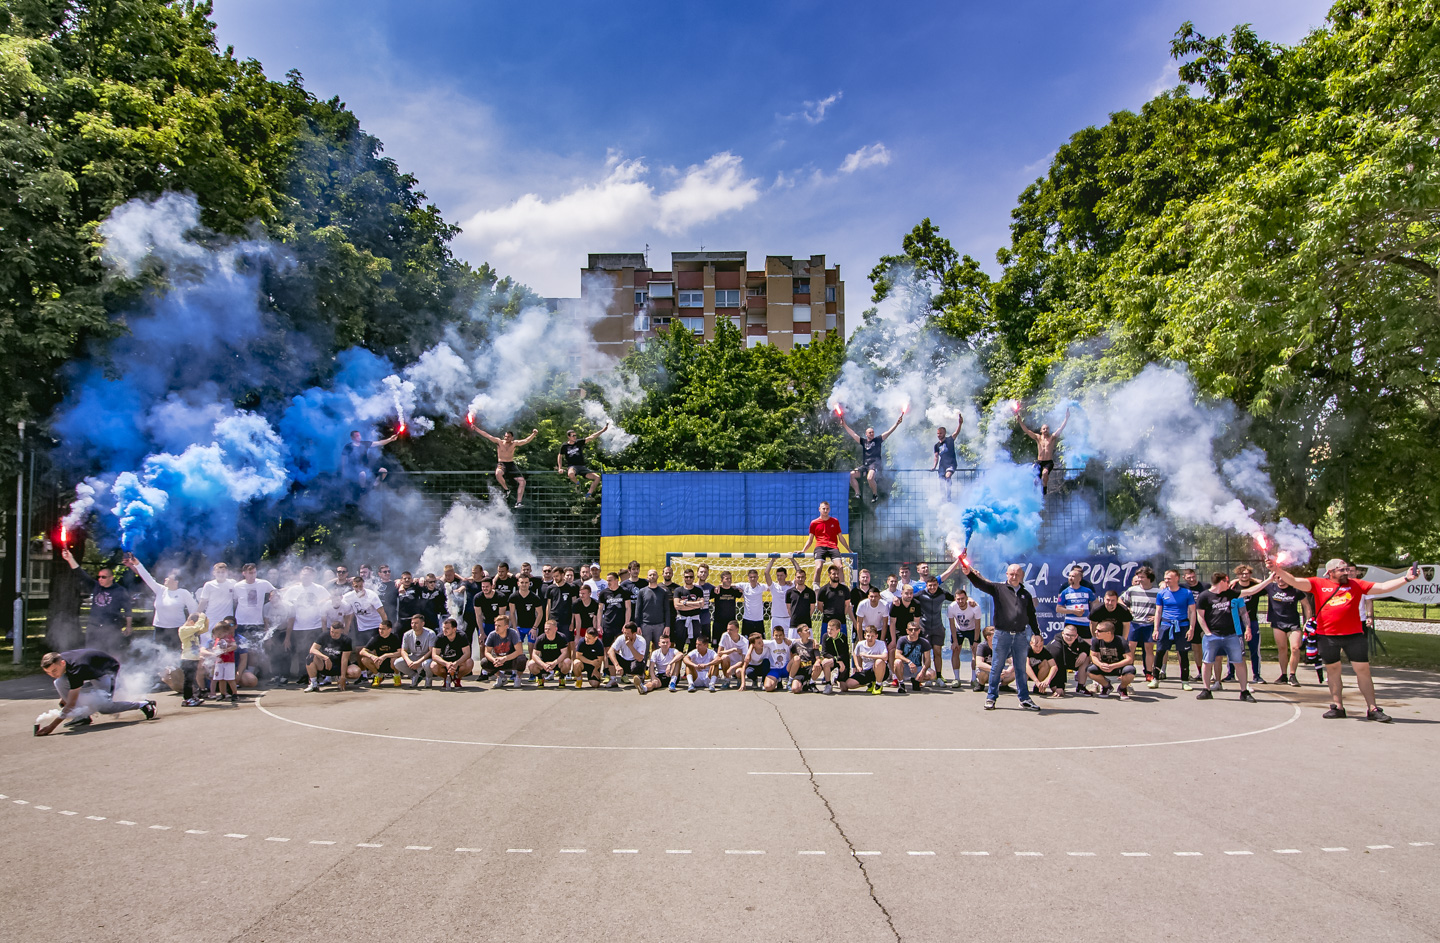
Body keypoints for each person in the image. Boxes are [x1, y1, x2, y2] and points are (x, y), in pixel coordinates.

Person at [1269, 558, 1419, 721]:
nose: (1346, 572)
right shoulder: (1318, 583)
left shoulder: (1356, 584)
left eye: (1347, 569)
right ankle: (1338, 706)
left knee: (1363, 671)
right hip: (1327, 636)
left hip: (1354, 635)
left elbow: (1382, 587)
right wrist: (1277, 569)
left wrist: (1407, 578)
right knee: (1333, 671)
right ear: (1330, 572)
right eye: (1342, 570)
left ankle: (1372, 708)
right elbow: (1294, 581)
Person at [957, 557, 1041, 712]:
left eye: (1017, 574)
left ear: (1021, 576)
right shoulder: (998, 589)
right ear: (1007, 575)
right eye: (1011, 574)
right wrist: (969, 574)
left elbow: (1031, 615)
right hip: (1002, 635)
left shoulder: (1026, 594)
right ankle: (991, 697)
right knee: (996, 667)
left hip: (1021, 636)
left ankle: (1024, 699)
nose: (1014, 577)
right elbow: (981, 584)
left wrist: (1037, 633)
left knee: (1021, 668)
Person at [36, 649, 155, 734]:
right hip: (90, 668)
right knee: (58, 682)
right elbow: (70, 691)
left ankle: (143, 704)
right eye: (49, 673)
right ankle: (82, 716)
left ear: (62, 663)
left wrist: (52, 726)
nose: (52, 675)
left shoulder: (76, 670)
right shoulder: (61, 661)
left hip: (106, 670)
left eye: (54, 671)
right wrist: (65, 699)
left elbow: (71, 702)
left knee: (105, 707)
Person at [1193, 572, 1256, 702]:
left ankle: (1244, 691)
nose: (1230, 584)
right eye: (1227, 581)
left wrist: (1270, 579)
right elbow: (1200, 616)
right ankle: (1206, 690)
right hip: (1212, 635)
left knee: (1239, 662)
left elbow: (1250, 591)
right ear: (1222, 581)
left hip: (1232, 635)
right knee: (1208, 662)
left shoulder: (1230, 594)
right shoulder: (1205, 596)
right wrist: (1208, 633)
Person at [1240, 570, 1311, 686]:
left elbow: (1306, 605)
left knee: (1295, 648)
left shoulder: (1295, 589)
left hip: (1293, 623)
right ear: (1274, 578)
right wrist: (1235, 580)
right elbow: (1255, 583)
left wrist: (1308, 621)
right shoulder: (1270, 587)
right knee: (1282, 648)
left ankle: (1292, 675)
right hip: (1277, 623)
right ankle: (1283, 675)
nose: (1281, 580)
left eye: (1283, 578)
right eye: (1278, 578)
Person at [58, 549, 134, 654]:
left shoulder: (120, 591)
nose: (100, 579)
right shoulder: (95, 586)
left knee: (111, 654)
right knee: (91, 653)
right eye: (99, 577)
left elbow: (128, 610)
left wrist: (128, 626)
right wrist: (70, 559)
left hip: (112, 627)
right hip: (93, 627)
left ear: (111, 578)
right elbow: (80, 573)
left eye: (103, 577)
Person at [123, 553, 196, 653]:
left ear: (176, 581)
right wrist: (137, 564)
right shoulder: (160, 590)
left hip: (177, 630)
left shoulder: (183, 593)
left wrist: (190, 626)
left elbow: (194, 610)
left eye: (168, 578)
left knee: (176, 654)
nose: (165, 579)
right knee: (159, 655)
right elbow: (147, 577)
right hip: (159, 629)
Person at [839, 409, 904, 504]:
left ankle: (875, 494)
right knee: (851, 475)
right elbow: (853, 434)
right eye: (870, 432)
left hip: (875, 464)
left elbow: (889, 432)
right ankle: (858, 493)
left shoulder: (878, 440)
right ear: (866, 434)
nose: (872, 433)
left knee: (870, 478)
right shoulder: (863, 441)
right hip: (865, 465)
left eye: (872, 432)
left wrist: (897, 423)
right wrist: (844, 425)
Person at [284, 567, 332, 685]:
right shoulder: (293, 590)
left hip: (315, 625)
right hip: (298, 626)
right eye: (304, 575)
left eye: (309, 575)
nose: (306, 577)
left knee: (316, 652)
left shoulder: (319, 589)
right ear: (300, 575)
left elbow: (329, 599)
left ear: (313, 576)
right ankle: (304, 675)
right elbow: (285, 603)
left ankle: (318, 674)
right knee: (301, 652)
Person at [469, 424, 538, 507]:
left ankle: (518, 502)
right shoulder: (499, 442)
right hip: (502, 463)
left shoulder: (514, 443)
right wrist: (476, 429)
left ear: (512, 437)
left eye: (508, 437)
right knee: (498, 473)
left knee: (522, 482)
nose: (506, 438)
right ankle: (506, 489)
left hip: (511, 464)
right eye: (505, 436)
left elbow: (525, 441)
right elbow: (487, 435)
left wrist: (533, 434)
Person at [1151, 569, 1198, 690]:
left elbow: (1193, 611)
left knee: (1183, 653)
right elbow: (1158, 612)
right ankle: (1155, 678)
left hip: (1182, 626)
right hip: (1165, 625)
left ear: (1177, 578)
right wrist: (1156, 629)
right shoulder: (1161, 593)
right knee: (1160, 652)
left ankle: (1185, 681)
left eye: (1169, 578)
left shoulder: (1187, 593)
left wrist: (1191, 628)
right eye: (1165, 578)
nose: (1166, 581)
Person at [231, 562, 277, 685]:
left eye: (254, 572)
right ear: (244, 573)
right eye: (250, 573)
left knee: (255, 650)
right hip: (241, 622)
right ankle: (239, 674)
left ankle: (251, 673)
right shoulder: (238, 586)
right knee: (241, 649)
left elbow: (275, 592)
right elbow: (235, 600)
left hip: (257, 622)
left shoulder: (263, 583)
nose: (252, 575)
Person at [1016, 404, 1069, 495]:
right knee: (1035, 481)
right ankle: (1034, 494)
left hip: (1048, 462)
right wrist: (1020, 421)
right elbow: (1027, 431)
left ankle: (1044, 489)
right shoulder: (1038, 438)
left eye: (1047, 428)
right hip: (1039, 461)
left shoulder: (1052, 437)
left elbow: (1061, 428)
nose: (1045, 430)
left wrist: (1066, 418)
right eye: (1044, 429)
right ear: (1041, 430)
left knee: (1045, 473)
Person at [1120, 567, 1159, 685]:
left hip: (1149, 624)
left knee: (1149, 649)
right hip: (1134, 623)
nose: (1139, 579)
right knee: (1130, 647)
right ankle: (1128, 670)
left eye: (1142, 577)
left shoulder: (1157, 592)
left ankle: (1148, 673)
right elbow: (1120, 600)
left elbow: (1162, 608)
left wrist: (1156, 616)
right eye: (1138, 576)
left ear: (1149, 578)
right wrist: (1127, 609)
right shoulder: (1132, 590)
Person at [1229, 564, 1265, 683]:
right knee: (1234, 648)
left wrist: (1252, 579)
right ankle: (1230, 674)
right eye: (1241, 573)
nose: (1244, 575)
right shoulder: (1233, 587)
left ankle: (1257, 675)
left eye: (1247, 573)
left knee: (1254, 649)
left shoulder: (1255, 587)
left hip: (1252, 621)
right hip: (1235, 622)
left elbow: (1264, 583)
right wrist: (1236, 580)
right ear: (1237, 574)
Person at [916, 575, 954, 687]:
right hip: (925, 627)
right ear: (926, 585)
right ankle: (927, 676)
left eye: (934, 585)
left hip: (938, 627)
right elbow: (908, 598)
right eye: (930, 585)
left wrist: (970, 600)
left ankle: (938, 676)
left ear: (937, 585)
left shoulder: (942, 593)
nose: (932, 587)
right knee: (926, 653)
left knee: (938, 652)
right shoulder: (921, 594)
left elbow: (956, 598)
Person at [800, 501, 852, 582]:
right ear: (819, 509)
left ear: (829, 510)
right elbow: (810, 539)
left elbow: (841, 537)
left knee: (840, 567)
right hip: (820, 547)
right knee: (818, 567)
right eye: (823, 508)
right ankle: (816, 588)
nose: (825, 510)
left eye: (827, 509)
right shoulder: (814, 523)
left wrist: (849, 550)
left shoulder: (835, 521)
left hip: (832, 547)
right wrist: (803, 550)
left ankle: (842, 587)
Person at [339, 429, 398, 497]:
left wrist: (390, 439)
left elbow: (379, 443)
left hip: (367, 467)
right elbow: (343, 459)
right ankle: (363, 489)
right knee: (362, 474)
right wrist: (344, 470)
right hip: (355, 468)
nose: (359, 437)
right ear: (352, 438)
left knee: (384, 471)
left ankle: (374, 486)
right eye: (357, 436)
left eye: (359, 435)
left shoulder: (364, 443)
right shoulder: (348, 447)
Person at [1087, 621, 1137, 699]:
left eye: (1099, 631)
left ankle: (1122, 688)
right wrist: (1100, 664)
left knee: (1130, 671)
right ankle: (1106, 686)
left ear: (1108, 633)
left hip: (1119, 667)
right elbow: (1093, 656)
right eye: (1096, 629)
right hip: (1104, 666)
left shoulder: (1121, 641)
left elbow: (1129, 659)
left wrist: (1113, 666)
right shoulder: (1096, 640)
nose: (1096, 632)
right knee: (1090, 670)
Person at [557, 424, 609, 497]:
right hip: (572, 466)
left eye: (575, 435)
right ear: (569, 437)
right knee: (570, 474)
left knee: (597, 478)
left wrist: (603, 430)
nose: (575, 437)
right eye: (573, 436)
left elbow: (591, 437)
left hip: (582, 467)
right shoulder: (564, 446)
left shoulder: (579, 442)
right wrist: (560, 468)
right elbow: (560, 456)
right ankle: (577, 483)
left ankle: (588, 494)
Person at [947, 587, 983, 690]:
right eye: (958, 599)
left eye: (963, 599)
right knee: (955, 651)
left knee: (975, 653)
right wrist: (954, 641)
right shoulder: (951, 607)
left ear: (966, 598)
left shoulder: (975, 607)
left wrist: (976, 641)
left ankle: (973, 678)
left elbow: (977, 626)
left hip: (972, 630)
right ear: (955, 599)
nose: (961, 601)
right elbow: (952, 625)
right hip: (959, 630)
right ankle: (957, 678)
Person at [342, 576, 388, 654]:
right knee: (359, 650)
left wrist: (386, 628)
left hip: (375, 626)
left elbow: (382, 612)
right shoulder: (349, 596)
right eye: (356, 586)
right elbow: (337, 599)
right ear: (353, 586)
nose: (359, 588)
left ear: (363, 585)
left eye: (360, 586)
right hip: (362, 628)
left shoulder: (372, 595)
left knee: (374, 651)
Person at [304, 622, 353, 693]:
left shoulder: (346, 640)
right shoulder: (324, 635)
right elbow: (312, 649)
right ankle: (313, 683)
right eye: (332, 632)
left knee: (355, 672)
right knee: (310, 657)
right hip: (325, 665)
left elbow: (344, 659)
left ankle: (339, 678)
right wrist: (325, 658)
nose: (333, 634)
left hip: (338, 666)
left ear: (341, 631)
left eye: (336, 633)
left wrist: (343, 677)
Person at [1045, 625, 1092, 697]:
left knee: (1087, 658)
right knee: (1058, 691)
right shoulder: (1056, 646)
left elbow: (1089, 648)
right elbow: (1058, 666)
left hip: (1068, 662)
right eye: (1067, 635)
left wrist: (1084, 653)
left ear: (1076, 636)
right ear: (1063, 633)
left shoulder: (1078, 640)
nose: (1069, 637)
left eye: (1072, 635)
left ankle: (1081, 686)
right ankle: (1042, 685)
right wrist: (1060, 686)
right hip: (1053, 667)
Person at [481, 614, 526, 687]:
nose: (496, 628)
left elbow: (519, 651)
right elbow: (487, 652)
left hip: (511, 660)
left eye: (499, 626)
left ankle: (518, 677)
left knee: (522, 659)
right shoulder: (492, 635)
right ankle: (501, 677)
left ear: (506, 626)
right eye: (495, 625)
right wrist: (493, 660)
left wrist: (505, 658)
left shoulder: (513, 633)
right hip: (498, 661)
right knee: (484, 662)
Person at [432, 618, 475, 690]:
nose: (444, 630)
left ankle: (457, 678)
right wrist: (446, 663)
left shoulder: (462, 636)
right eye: (443, 628)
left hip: (459, 661)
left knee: (469, 662)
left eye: (447, 628)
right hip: (445, 662)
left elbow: (467, 653)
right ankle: (446, 678)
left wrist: (456, 663)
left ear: (454, 629)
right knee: (433, 665)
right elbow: (434, 655)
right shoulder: (440, 637)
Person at [893, 621, 936, 692]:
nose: (913, 632)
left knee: (932, 674)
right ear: (907, 631)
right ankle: (901, 683)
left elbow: (927, 660)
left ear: (919, 630)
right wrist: (909, 662)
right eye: (910, 630)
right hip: (904, 667)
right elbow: (897, 654)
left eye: (916, 629)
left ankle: (916, 681)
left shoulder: (924, 642)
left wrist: (922, 672)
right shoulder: (902, 640)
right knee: (897, 662)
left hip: (917, 668)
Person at [357, 620, 404, 686]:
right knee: (364, 659)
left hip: (392, 664)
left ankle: (397, 676)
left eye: (383, 629)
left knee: (395, 660)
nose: (380, 631)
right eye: (380, 629)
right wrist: (372, 656)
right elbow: (362, 651)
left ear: (389, 629)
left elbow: (400, 653)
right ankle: (378, 675)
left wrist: (386, 655)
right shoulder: (375, 638)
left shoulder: (395, 638)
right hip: (379, 662)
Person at [528, 619, 573, 687]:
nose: (547, 631)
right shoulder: (540, 639)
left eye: (549, 629)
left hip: (558, 663)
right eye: (545, 629)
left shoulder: (561, 637)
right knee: (531, 664)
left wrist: (554, 663)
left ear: (555, 629)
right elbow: (534, 654)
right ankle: (540, 678)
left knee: (567, 661)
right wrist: (543, 664)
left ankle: (562, 678)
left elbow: (564, 653)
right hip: (544, 663)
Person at [1056, 565, 1096, 640]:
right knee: (1069, 645)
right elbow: (1058, 608)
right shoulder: (1065, 592)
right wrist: (1073, 611)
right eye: (1069, 576)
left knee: (1087, 646)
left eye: (1073, 576)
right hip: (1071, 623)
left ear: (1079, 578)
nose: (1070, 578)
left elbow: (1096, 603)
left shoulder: (1087, 590)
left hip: (1085, 623)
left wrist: (1092, 613)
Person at [396, 614, 436, 688]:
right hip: (414, 656)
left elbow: (431, 651)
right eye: (412, 623)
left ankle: (428, 679)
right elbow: (403, 651)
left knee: (426, 664)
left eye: (416, 623)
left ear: (422, 624)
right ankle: (414, 676)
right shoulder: (407, 634)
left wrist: (418, 662)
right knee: (397, 663)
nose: (413, 625)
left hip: (426, 658)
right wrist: (408, 661)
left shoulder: (430, 634)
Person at [671, 569, 706, 651]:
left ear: (694, 578)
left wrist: (684, 603)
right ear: (683, 578)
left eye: (690, 577)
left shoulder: (698, 590)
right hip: (681, 619)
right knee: (679, 645)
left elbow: (701, 605)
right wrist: (695, 603)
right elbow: (677, 606)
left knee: (694, 645)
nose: (688, 579)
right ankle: (678, 663)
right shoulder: (678, 590)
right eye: (686, 577)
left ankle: (690, 663)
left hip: (695, 620)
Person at [635, 569, 670, 651]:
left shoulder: (663, 592)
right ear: (647, 577)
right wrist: (638, 625)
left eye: (654, 574)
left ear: (657, 576)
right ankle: (643, 664)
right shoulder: (642, 591)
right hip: (645, 625)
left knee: (660, 650)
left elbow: (667, 610)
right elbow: (638, 610)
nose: (652, 576)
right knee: (643, 650)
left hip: (660, 625)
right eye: (650, 575)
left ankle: (659, 664)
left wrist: (667, 625)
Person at [177, 613, 207, 706]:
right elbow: (197, 627)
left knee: (192, 679)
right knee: (188, 680)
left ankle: (192, 696)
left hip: (194, 658)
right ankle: (187, 699)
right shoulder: (183, 629)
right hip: (187, 658)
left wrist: (206, 620)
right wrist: (201, 617)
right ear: (191, 622)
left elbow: (204, 629)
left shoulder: (193, 630)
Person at [206, 619, 240, 702]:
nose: (218, 635)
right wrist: (215, 650)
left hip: (229, 662)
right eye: (217, 634)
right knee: (221, 679)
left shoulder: (229, 638)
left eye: (220, 633)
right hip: (219, 662)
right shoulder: (218, 640)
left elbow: (234, 646)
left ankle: (234, 693)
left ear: (225, 632)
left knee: (230, 679)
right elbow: (215, 648)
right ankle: (223, 693)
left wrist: (226, 650)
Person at [607, 622, 648, 690]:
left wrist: (630, 646)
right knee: (610, 657)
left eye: (628, 633)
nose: (625, 635)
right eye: (624, 632)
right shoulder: (621, 638)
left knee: (640, 663)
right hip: (623, 660)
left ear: (634, 633)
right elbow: (610, 651)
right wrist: (617, 665)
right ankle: (613, 680)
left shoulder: (641, 640)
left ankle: (640, 678)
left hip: (634, 661)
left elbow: (640, 658)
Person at [597, 572, 633, 648]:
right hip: (608, 623)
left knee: (621, 646)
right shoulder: (604, 593)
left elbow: (628, 608)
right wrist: (599, 625)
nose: (608, 582)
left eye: (610, 580)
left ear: (616, 580)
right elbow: (600, 610)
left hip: (620, 624)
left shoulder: (624, 592)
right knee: (607, 647)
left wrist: (626, 623)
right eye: (607, 580)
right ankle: (607, 660)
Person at [508, 574, 546, 644]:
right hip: (519, 627)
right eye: (522, 582)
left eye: (526, 582)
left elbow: (540, 613)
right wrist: (515, 628)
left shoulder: (535, 597)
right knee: (517, 648)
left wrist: (534, 628)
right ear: (518, 583)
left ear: (529, 583)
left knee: (531, 647)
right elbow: (512, 613)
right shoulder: (513, 597)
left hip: (531, 627)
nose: (524, 585)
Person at [930, 412, 964, 490]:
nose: (939, 435)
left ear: (944, 433)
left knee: (947, 476)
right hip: (942, 466)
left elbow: (956, 432)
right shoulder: (936, 445)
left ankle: (949, 497)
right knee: (941, 483)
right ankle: (942, 499)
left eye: (940, 433)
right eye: (938, 434)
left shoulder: (950, 440)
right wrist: (934, 466)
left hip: (951, 464)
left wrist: (960, 423)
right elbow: (936, 457)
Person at [819, 619, 854, 694]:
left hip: (843, 663)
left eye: (832, 629)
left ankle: (837, 679)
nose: (829, 631)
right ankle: (828, 684)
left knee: (844, 688)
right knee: (825, 662)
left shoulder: (843, 637)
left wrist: (838, 660)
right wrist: (834, 660)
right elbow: (824, 653)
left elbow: (845, 654)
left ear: (838, 630)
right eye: (828, 629)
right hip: (832, 661)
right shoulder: (825, 637)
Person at [852, 625, 889, 695]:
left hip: (880, 670)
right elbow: (854, 654)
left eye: (872, 636)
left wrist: (867, 655)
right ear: (865, 636)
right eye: (868, 636)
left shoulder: (881, 643)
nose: (870, 638)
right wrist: (857, 666)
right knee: (849, 684)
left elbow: (885, 657)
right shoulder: (860, 644)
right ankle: (870, 683)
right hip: (866, 671)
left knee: (879, 661)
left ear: (876, 636)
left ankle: (878, 684)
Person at [762, 558, 794, 639]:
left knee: (788, 641)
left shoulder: (791, 586)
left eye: (781, 575)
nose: (779, 577)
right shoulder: (773, 586)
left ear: (786, 575)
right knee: (775, 641)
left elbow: (799, 572)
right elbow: (766, 573)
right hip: (776, 618)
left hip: (788, 618)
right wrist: (773, 560)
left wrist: (792, 559)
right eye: (778, 575)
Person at [783, 567, 816, 641]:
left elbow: (812, 608)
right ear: (795, 578)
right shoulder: (789, 592)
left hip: (807, 624)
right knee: (792, 645)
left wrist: (806, 616)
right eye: (798, 577)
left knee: (808, 646)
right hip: (794, 624)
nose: (800, 579)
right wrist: (794, 617)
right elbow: (789, 608)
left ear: (805, 578)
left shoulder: (811, 592)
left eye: (802, 577)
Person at [788, 624, 821, 693]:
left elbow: (818, 658)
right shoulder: (796, 644)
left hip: (810, 668)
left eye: (808, 629)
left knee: (819, 665)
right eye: (806, 630)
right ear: (800, 633)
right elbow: (792, 656)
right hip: (800, 669)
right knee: (795, 689)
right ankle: (793, 682)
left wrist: (817, 662)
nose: (809, 631)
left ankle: (811, 683)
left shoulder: (813, 643)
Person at [717, 621, 749, 689]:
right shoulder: (725, 635)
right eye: (727, 629)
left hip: (738, 665)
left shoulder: (744, 642)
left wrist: (732, 668)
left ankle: (739, 679)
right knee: (724, 657)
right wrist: (733, 650)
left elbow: (743, 661)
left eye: (731, 630)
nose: (728, 631)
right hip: (728, 662)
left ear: (737, 630)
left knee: (738, 672)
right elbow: (719, 653)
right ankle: (727, 679)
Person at [712, 572, 743, 644]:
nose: (729, 580)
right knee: (717, 644)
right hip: (718, 622)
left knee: (731, 643)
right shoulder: (716, 591)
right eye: (727, 579)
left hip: (730, 622)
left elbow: (744, 591)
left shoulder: (734, 591)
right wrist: (718, 586)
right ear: (721, 580)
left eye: (730, 578)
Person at [1025, 632, 1059, 696]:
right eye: (1036, 646)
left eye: (1041, 646)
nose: (1038, 649)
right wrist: (1036, 681)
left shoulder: (1045, 652)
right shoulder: (1027, 650)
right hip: (1027, 673)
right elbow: (1026, 666)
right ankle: (1023, 687)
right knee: (1022, 667)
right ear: (1031, 644)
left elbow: (1054, 666)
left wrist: (1047, 680)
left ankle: (1039, 688)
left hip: (1038, 673)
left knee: (1046, 663)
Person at [739, 568, 769, 637]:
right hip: (747, 619)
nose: (753, 579)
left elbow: (773, 587)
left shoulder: (761, 586)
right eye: (751, 577)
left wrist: (786, 582)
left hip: (759, 619)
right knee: (746, 643)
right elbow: (730, 585)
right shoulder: (744, 586)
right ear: (748, 578)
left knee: (760, 642)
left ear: (758, 577)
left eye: (754, 577)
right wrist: (719, 586)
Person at [762, 626, 791, 691]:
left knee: (796, 659)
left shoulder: (788, 642)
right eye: (776, 635)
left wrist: (814, 640)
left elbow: (800, 640)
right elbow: (755, 641)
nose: (778, 637)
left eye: (780, 635)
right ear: (773, 635)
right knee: (768, 687)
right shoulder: (770, 643)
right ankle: (777, 680)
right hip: (774, 669)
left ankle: (790, 681)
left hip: (786, 668)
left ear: (784, 635)